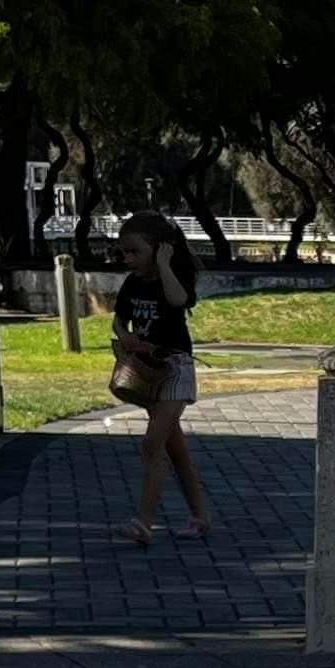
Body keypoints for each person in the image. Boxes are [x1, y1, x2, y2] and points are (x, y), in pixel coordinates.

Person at [112, 211, 215, 548]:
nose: (128, 259)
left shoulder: (174, 276)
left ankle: (143, 522)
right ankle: (200, 517)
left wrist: (166, 264)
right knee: (175, 450)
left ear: (158, 250)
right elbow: (118, 320)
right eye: (123, 252)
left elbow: (178, 300)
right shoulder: (132, 284)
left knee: (151, 443)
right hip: (147, 368)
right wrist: (124, 336)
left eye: (134, 252)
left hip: (176, 368)